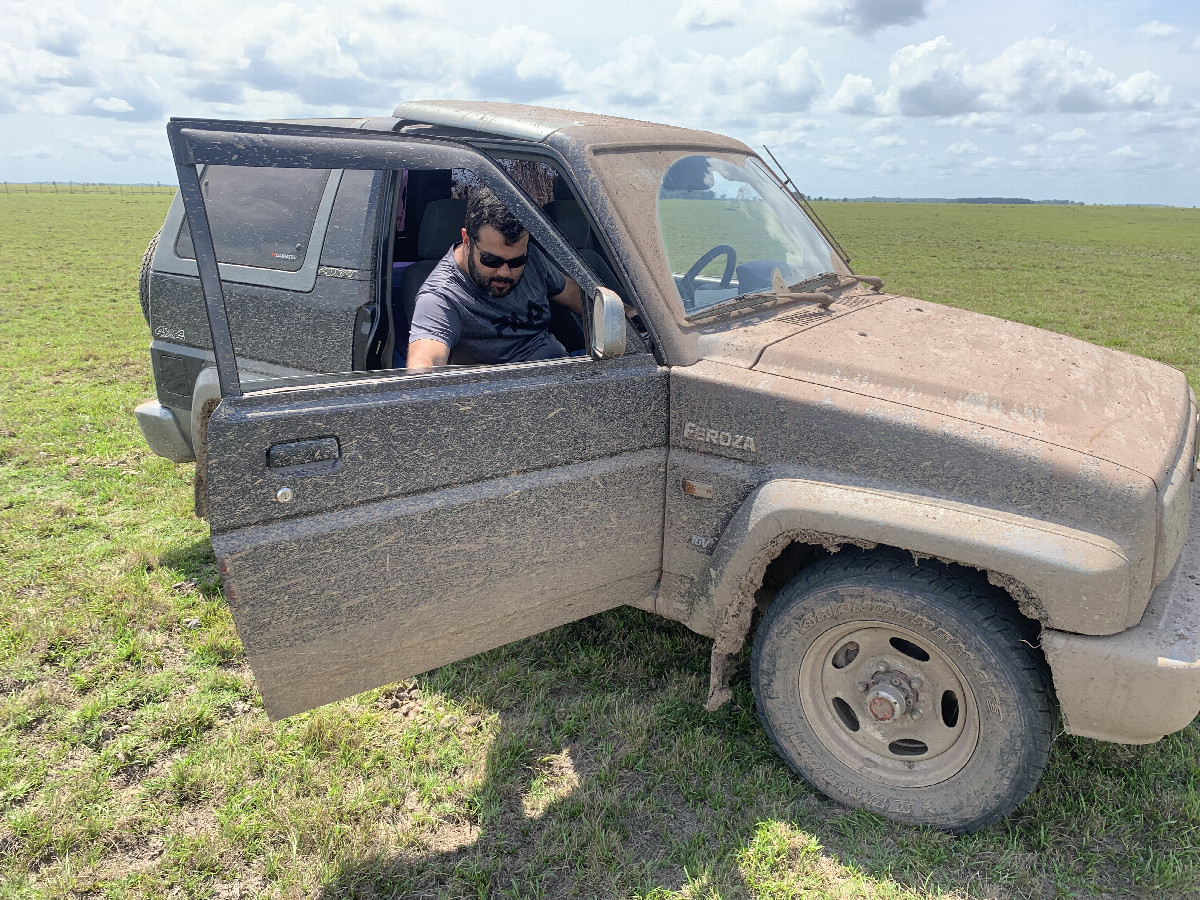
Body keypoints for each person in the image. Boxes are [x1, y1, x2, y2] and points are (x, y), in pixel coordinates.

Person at [406, 187, 584, 368]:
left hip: (560, 369)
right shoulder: (442, 295)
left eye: (516, 261)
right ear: (467, 241)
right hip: (501, 389)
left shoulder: (532, 258)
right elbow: (424, 364)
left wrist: (611, 317)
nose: (505, 272)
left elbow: (574, 295)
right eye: (492, 260)